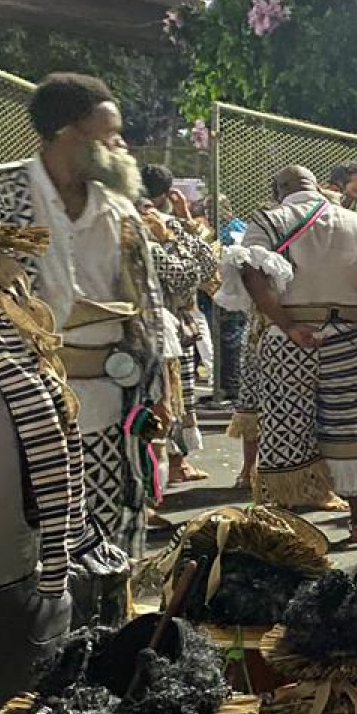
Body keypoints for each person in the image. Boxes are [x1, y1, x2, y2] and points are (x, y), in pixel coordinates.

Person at [0, 74, 202, 622]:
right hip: (24, 411)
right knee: (35, 549)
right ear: (66, 133)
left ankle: (107, 637)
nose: (121, 146)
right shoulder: (0, 196)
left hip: (112, 408)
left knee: (107, 544)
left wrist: (161, 393)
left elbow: (148, 311)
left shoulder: (122, 212)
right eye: (108, 134)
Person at [215, 164, 357, 547]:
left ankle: (286, 526)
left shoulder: (269, 219)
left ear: (280, 191)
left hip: (290, 340)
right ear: (316, 187)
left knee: (286, 426)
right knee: (353, 425)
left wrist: (288, 325)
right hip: (349, 337)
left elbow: (252, 275)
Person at [139, 163, 218, 488]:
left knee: (169, 398)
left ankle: (173, 463)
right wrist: (174, 233)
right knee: (169, 400)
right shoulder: (155, 231)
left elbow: (205, 263)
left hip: (150, 329)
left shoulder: (130, 224)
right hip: (161, 328)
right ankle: (166, 469)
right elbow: (194, 272)